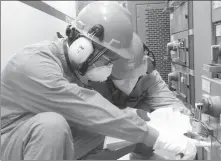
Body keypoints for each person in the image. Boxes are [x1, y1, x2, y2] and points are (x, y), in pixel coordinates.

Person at [1, 1, 197, 160]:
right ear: (82, 47)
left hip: (42, 145)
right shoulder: (34, 64)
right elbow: (86, 108)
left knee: (109, 127)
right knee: (52, 125)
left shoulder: (75, 69)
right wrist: (155, 137)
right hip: (13, 141)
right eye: (108, 60)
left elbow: (99, 119)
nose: (109, 68)